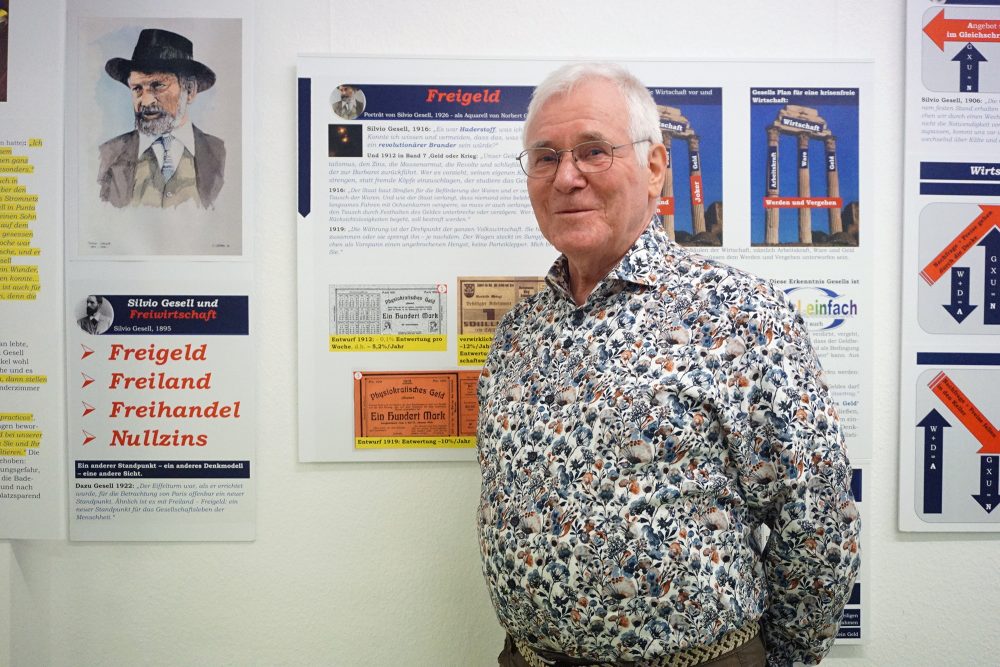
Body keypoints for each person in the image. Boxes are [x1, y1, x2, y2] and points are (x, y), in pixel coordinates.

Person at [477, 63, 860, 667]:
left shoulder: (741, 315)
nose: (566, 177)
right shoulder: (518, 335)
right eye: (545, 157)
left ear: (656, 167)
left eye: (594, 151)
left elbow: (817, 522)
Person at [97, 28, 225, 209]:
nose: (146, 100)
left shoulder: (221, 155)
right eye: (137, 88)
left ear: (190, 90)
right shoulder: (107, 156)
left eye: (158, 86)